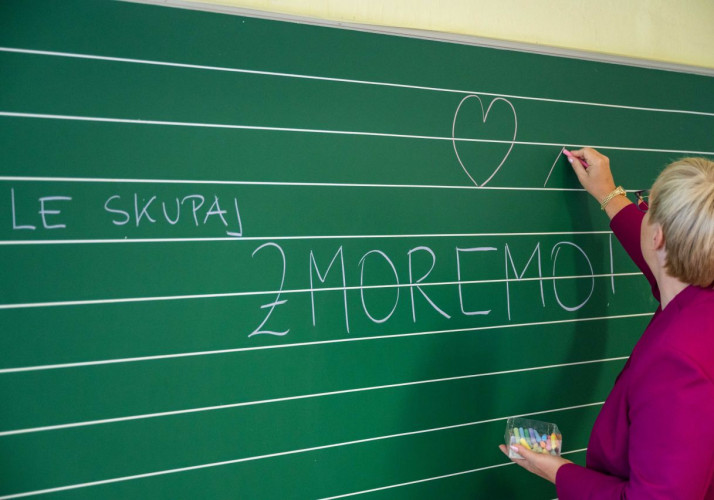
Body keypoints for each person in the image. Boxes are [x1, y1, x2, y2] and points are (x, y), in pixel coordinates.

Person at [499, 147, 714, 498]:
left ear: (659, 236)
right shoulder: (698, 299)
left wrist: (559, 472)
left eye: (646, 206)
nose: (641, 211)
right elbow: (667, 260)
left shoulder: (677, 364)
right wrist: (609, 195)